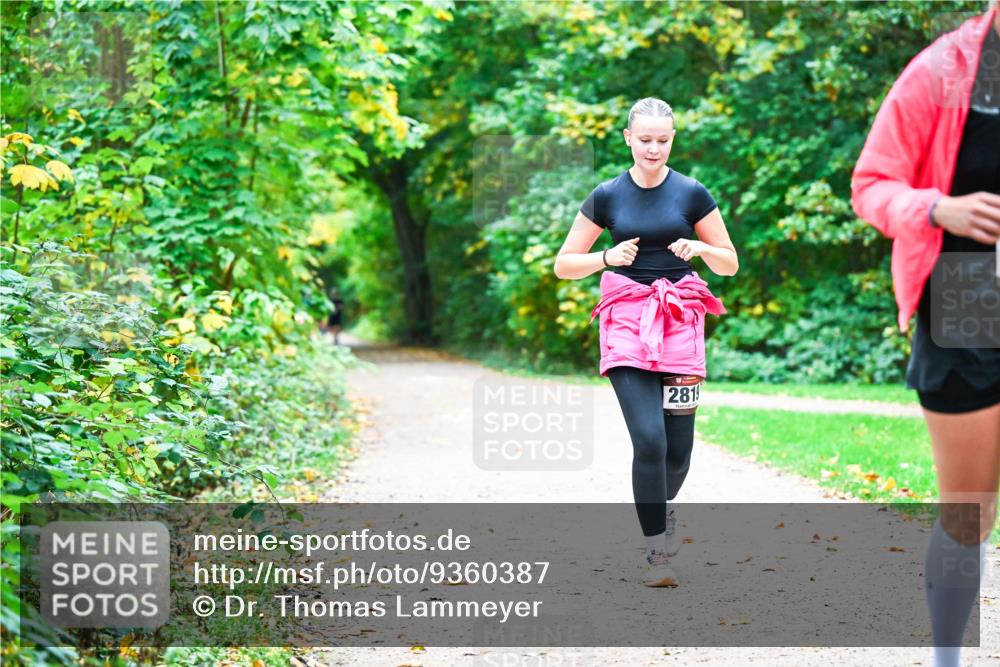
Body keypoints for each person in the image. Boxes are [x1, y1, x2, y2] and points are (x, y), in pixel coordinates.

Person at [851, 5, 999, 666]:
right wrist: (938, 207)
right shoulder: (943, 70)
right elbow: (870, 185)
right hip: (966, 302)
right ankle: (946, 657)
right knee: (970, 510)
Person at [554, 97, 738, 587]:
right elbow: (564, 263)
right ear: (627, 139)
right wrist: (606, 257)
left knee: (678, 452)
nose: (653, 149)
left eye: (663, 140)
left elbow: (729, 262)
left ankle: (662, 508)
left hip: (679, 324)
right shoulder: (608, 195)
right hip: (627, 323)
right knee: (650, 440)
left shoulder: (693, 194)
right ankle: (657, 553)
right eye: (645, 140)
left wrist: (700, 247)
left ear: (672, 140)